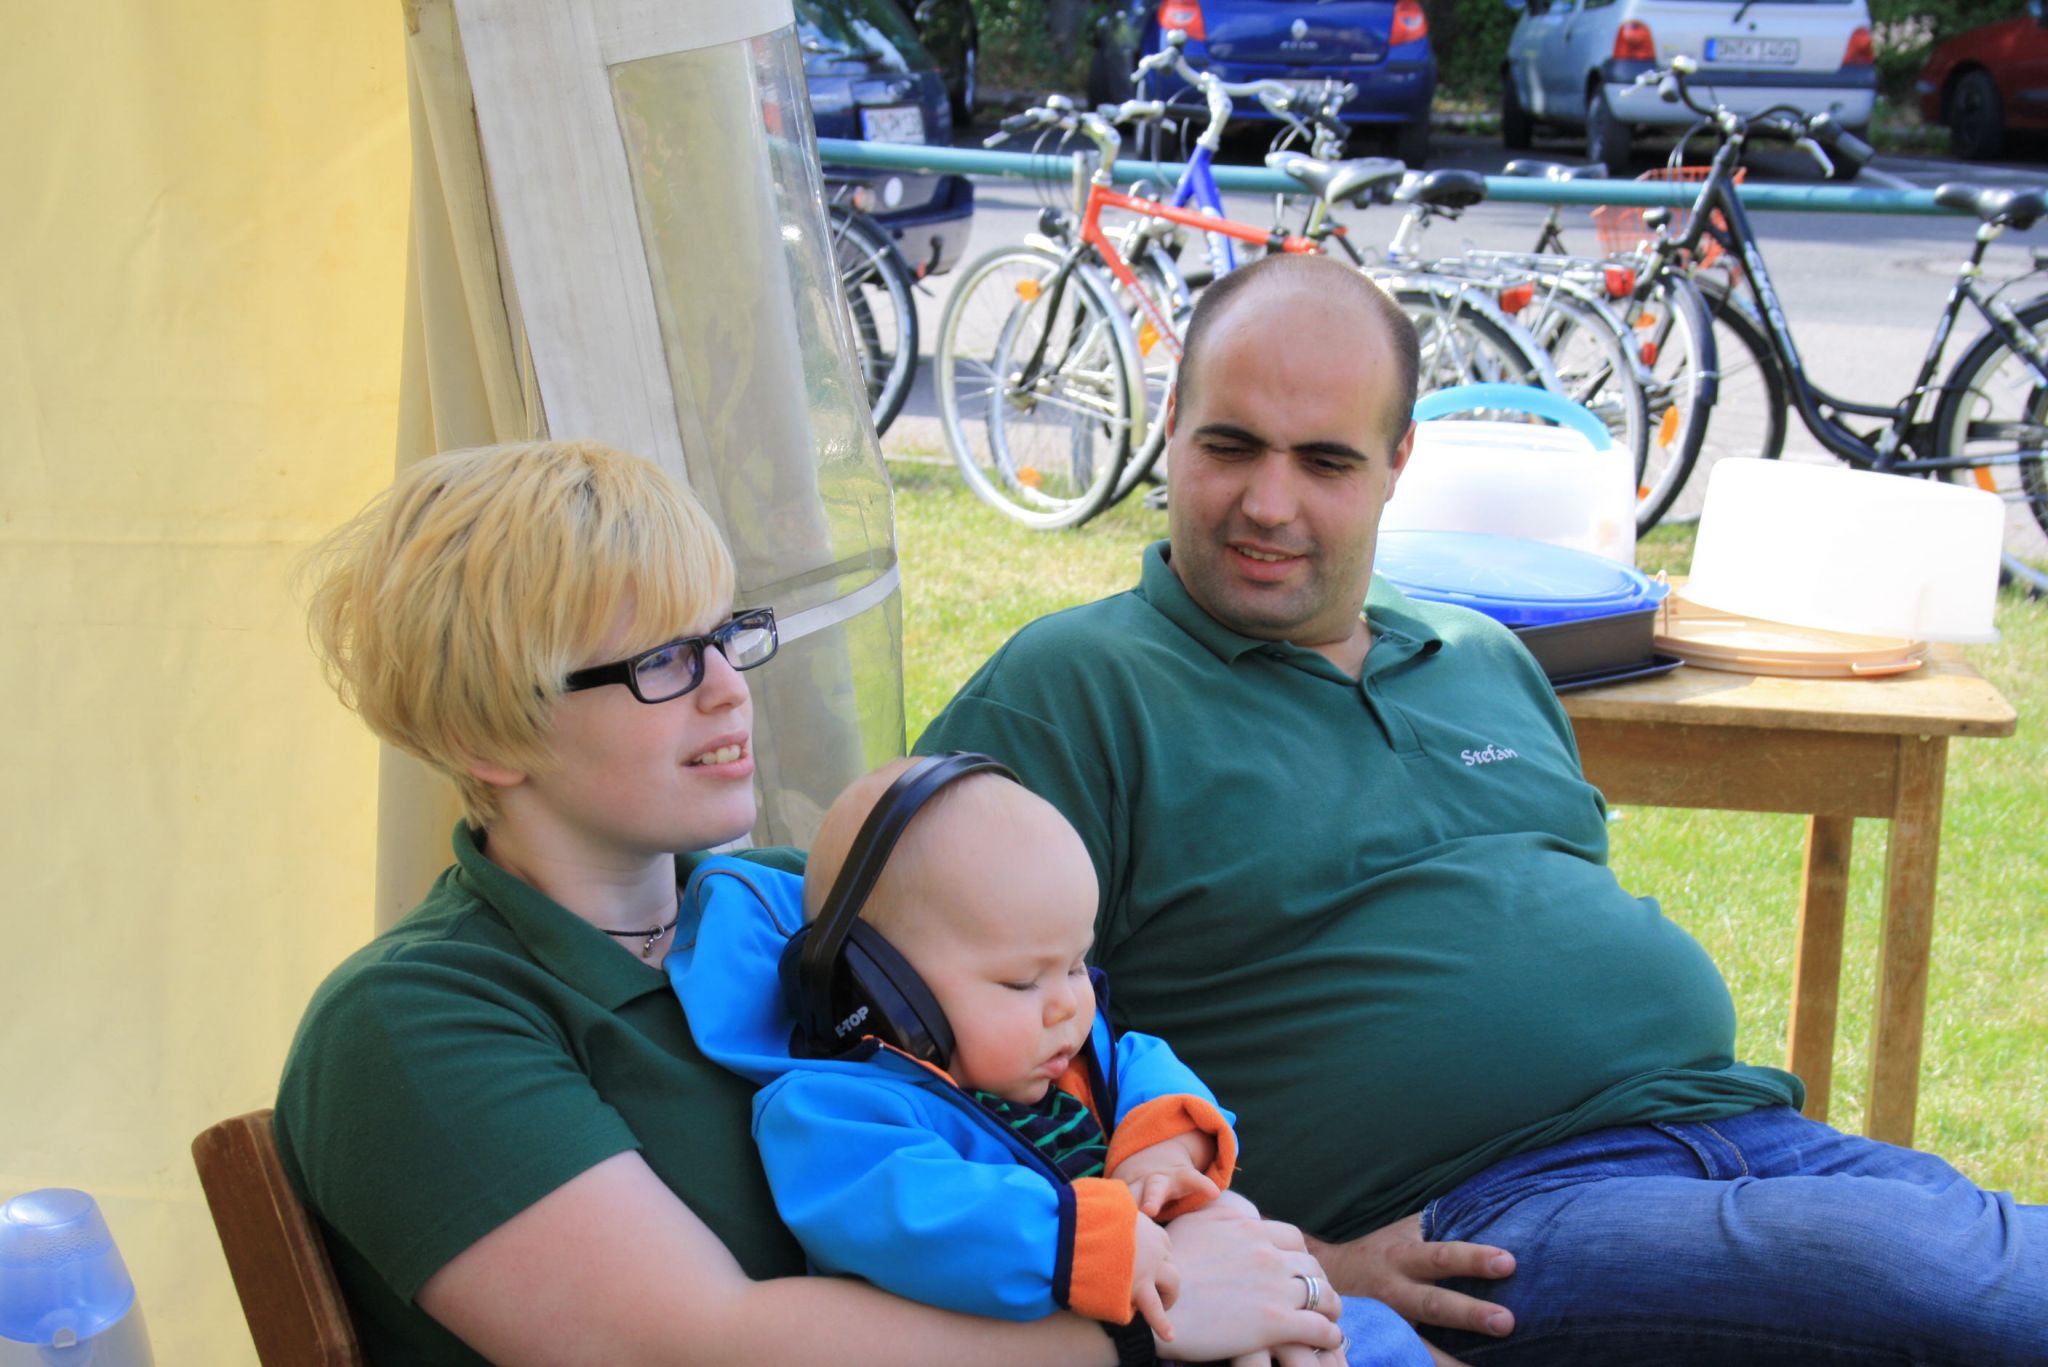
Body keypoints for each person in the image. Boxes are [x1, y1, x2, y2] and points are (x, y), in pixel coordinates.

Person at [915, 255, 2048, 1365]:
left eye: (1325, 461)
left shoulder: (1478, 654)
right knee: (1963, 1283)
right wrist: (1291, 1255)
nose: (1269, 503)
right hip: (1487, 1211)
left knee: (1999, 1257)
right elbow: (923, 1061)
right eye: (1230, 446)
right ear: (1172, 425)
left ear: (1397, 462)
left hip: (1750, 1129)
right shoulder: (1074, 690)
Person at [275, 439, 1347, 1366]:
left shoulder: (799, 903)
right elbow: (692, 1344)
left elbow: (1082, 1079)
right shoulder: (414, 1024)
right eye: (661, 661)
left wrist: (1214, 1237)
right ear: (485, 735)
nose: (726, 686)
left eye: (722, 636)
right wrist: (1149, 1328)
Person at [671, 756, 1436, 1365]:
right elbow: (920, 1219)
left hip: (1191, 1307)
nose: (1070, 1003)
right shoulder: (833, 1113)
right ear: (878, 987)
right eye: (1022, 980)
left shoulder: (1055, 1049)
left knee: (1382, 1340)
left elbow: (1144, 1061)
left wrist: (1163, 1150)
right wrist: (1091, 1243)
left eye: (1076, 964)